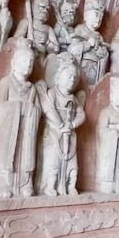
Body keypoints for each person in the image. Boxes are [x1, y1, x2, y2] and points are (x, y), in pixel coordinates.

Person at [0, 39, 41, 198]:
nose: (28, 65)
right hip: (8, 131)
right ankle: (2, 186)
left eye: (31, 63)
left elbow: (38, 110)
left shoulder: (32, 89)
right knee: (6, 158)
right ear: (14, 63)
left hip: (26, 131)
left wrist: (32, 111)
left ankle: (24, 185)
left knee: (24, 158)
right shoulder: (6, 82)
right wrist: (16, 108)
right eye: (24, 61)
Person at [38, 53, 86, 196]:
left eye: (74, 78)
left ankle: (70, 185)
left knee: (72, 164)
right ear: (59, 77)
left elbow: (81, 114)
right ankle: (50, 185)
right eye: (68, 76)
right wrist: (60, 126)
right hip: (54, 134)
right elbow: (48, 109)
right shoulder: (52, 93)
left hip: (70, 135)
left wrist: (72, 125)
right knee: (53, 161)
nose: (71, 80)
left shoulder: (73, 99)